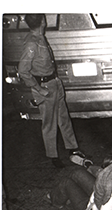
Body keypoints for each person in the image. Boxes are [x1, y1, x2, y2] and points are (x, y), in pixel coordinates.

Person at [18, 14, 85, 168]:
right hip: (45, 87)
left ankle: (72, 149)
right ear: (43, 21)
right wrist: (39, 89)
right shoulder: (32, 43)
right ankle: (53, 156)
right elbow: (23, 71)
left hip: (54, 83)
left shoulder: (39, 38)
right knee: (49, 123)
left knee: (64, 119)